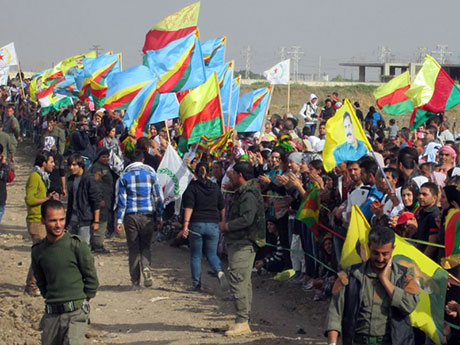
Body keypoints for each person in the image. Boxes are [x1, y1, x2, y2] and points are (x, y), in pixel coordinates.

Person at [325, 226, 420, 345]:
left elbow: (409, 305)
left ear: (393, 249)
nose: (380, 259)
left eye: (385, 254)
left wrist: (385, 280)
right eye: (376, 253)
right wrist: (332, 343)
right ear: (369, 246)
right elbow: (335, 312)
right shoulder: (351, 275)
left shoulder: (404, 275)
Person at [32, 199, 99, 345]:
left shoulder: (76, 245)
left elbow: (91, 278)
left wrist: (82, 300)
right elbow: (41, 281)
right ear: (43, 220)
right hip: (52, 315)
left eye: (61, 219)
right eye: (53, 220)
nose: (58, 225)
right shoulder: (38, 250)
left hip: (76, 314)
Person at [219, 161, 266, 336]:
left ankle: (242, 321)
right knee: (243, 281)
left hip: (244, 242)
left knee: (238, 280)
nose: (229, 175)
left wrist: (227, 226)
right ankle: (242, 318)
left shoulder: (249, 194)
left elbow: (247, 219)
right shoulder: (245, 192)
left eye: (232, 173)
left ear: (240, 175)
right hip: (240, 242)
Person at [115, 149, 164, 288]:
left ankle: (135, 280)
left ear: (130, 160)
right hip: (147, 215)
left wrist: (119, 220)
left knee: (133, 248)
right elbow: (157, 198)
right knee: (146, 246)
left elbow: (122, 200)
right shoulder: (151, 175)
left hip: (131, 216)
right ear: (143, 160)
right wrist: (159, 216)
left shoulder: (124, 177)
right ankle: (146, 267)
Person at [179, 162, 228, 292]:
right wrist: (222, 221)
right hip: (213, 225)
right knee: (212, 254)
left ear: (195, 172)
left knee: (196, 255)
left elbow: (189, 207)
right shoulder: (215, 187)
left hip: (196, 225)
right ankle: (219, 271)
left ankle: (196, 284)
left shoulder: (192, 188)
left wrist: (185, 226)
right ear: (210, 172)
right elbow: (222, 207)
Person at [25, 151, 59, 297]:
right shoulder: (35, 177)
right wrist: (46, 199)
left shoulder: (42, 177)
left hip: (41, 219)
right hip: (35, 220)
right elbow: (30, 200)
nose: (53, 165)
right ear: (43, 163)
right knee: (39, 254)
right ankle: (32, 285)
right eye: (51, 162)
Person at [66, 153, 102, 245]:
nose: (71, 167)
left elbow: (96, 201)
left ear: (80, 165)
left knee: (83, 247)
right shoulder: (71, 179)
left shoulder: (89, 179)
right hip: (72, 218)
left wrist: (96, 221)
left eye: (74, 165)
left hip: (85, 219)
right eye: (70, 165)